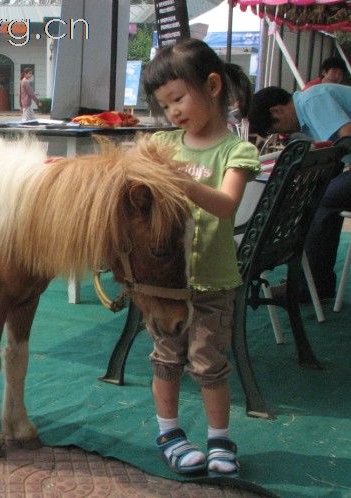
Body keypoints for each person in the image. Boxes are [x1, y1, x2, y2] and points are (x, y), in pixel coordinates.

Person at [142, 39, 260, 478]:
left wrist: (180, 182)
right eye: (163, 105)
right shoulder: (163, 145)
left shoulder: (235, 151)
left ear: (212, 86)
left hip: (213, 280)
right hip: (166, 283)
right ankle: (169, 433)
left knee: (209, 362)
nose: (172, 112)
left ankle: (218, 439)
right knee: (166, 356)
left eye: (178, 98)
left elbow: (226, 204)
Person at [248, 84, 351, 302]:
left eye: (279, 129)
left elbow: (348, 139)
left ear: (277, 111)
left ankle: (310, 286)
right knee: (320, 195)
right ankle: (312, 282)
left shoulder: (313, 100)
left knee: (320, 199)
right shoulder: (310, 106)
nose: (284, 134)